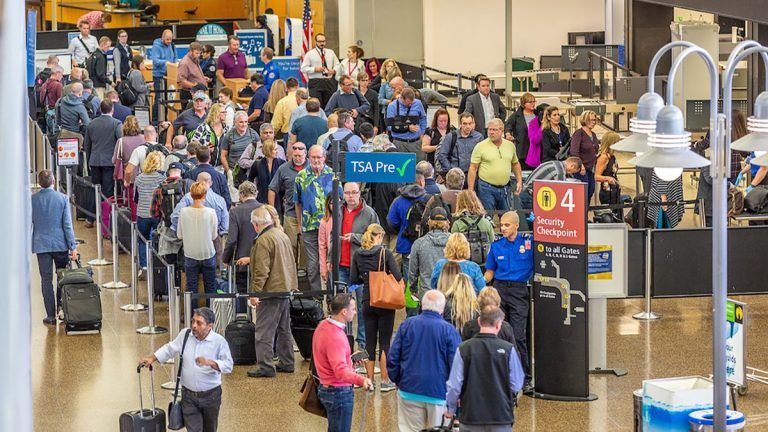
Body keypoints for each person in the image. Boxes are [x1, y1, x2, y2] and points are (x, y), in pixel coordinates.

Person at [139, 307, 233, 432]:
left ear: (209, 326)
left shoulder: (219, 342)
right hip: (188, 396)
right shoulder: (185, 334)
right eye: (193, 321)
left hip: (211, 396)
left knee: (209, 429)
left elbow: (228, 365)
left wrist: (210, 362)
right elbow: (170, 348)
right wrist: (152, 358)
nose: (194, 325)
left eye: (199, 323)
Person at [387, 289, 462, 431]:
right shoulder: (449, 330)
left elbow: (393, 357)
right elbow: (456, 366)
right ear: (442, 308)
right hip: (439, 393)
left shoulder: (407, 325)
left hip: (409, 389)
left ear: (422, 305)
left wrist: (398, 380)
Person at [445, 306, 524, 430]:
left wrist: (451, 409)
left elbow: (454, 385)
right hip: (500, 416)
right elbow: (516, 384)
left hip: (471, 416)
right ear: (498, 325)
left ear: (479, 321)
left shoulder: (463, 349)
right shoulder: (509, 349)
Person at [484, 211, 534, 389]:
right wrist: (479, 284)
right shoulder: (496, 246)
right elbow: (490, 272)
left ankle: (525, 378)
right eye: (501, 225)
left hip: (519, 291)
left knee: (519, 335)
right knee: (498, 333)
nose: (502, 228)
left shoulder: (528, 243)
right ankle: (500, 375)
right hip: (500, 290)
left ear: (516, 226)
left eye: (507, 225)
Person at [350, 224, 402, 392]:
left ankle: (369, 380)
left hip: (367, 301)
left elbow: (353, 279)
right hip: (384, 302)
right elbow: (398, 275)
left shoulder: (357, 254)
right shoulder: (384, 253)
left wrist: (367, 278)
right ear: (378, 237)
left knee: (369, 342)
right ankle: (386, 381)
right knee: (385, 342)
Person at [247, 207, 298, 377]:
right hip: (284, 289)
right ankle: (287, 361)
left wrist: (255, 293)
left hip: (270, 292)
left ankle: (266, 367)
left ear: (256, 224)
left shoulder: (263, 240)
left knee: (263, 331)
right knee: (284, 329)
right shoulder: (281, 234)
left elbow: (261, 271)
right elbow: (291, 263)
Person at [313, 294, 374, 432]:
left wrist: (349, 361)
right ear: (344, 312)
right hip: (338, 391)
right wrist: (361, 379)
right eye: (353, 309)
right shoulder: (336, 336)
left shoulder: (323, 326)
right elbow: (340, 371)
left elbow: (328, 358)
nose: (355, 312)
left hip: (326, 386)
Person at [335, 181, 379, 349]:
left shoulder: (369, 213)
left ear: (360, 193)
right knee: (340, 306)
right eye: (347, 193)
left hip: (361, 269)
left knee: (361, 306)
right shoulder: (338, 210)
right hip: (340, 265)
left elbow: (376, 239)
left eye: (354, 192)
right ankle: (343, 341)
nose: (350, 196)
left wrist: (355, 237)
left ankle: (361, 342)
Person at [32, 170, 78, 325]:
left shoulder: (32, 200)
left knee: (46, 280)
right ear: (54, 181)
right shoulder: (62, 198)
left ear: (39, 183)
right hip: (60, 244)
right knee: (62, 277)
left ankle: (50, 315)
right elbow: (67, 225)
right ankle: (62, 310)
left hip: (41, 244)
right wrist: (73, 246)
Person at [294, 145, 337, 291]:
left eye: (319, 157)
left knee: (330, 262)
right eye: (313, 157)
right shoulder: (301, 176)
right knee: (312, 264)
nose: (316, 160)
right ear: (308, 158)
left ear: (324, 158)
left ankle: (332, 298)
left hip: (330, 225)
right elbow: (297, 203)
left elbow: (340, 201)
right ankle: (316, 298)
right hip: (309, 226)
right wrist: (299, 224)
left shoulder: (332, 175)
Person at [468, 118, 523, 215]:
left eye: (494, 130)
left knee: (507, 217)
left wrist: (519, 181)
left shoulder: (510, 146)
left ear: (501, 130)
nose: (491, 132)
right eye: (489, 129)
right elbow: (473, 168)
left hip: (505, 188)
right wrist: (471, 190)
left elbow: (515, 164)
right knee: (487, 218)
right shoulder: (480, 146)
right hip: (486, 188)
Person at [222, 182, 263, 312]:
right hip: (263, 260)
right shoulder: (264, 209)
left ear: (241, 195)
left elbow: (232, 239)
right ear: (255, 193)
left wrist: (226, 259)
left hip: (242, 262)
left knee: (243, 295)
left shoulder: (235, 212)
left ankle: (244, 325)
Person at [387, 173, 428, 297]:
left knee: (409, 279)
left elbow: (391, 222)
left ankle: (411, 311)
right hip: (426, 245)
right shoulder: (429, 199)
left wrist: (403, 229)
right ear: (422, 182)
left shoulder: (398, 200)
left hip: (406, 245)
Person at [177, 181, 219, 299]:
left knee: (191, 288)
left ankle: (192, 314)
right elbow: (214, 235)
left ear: (191, 194)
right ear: (205, 195)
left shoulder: (183, 212)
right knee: (210, 286)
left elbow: (179, 235)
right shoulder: (211, 212)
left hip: (190, 254)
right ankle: (210, 314)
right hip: (208, 253)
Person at [268, 141, 307, 260]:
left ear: (305, 154)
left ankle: (304, 273)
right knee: (290, 246)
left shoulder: (312, 167)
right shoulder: (284, 169)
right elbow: (272, 189)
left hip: (308, 215)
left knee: (306, 248)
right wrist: (272, 211)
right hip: (290, 214)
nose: (298, 158)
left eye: (300, 156)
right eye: (295, 156)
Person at [170, 172, 229, 240]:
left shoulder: (188, 197)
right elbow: (225, 226)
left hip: (191, 239)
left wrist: (186, 230)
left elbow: (175, 217)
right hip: (213, 239)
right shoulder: (220, 200)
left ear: (196, 182)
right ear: (211, 183)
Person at [409, 207, 451, 300]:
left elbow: (413, 271)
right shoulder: (454, 242)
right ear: (447, 222)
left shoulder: (419, 243)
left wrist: (413, 289)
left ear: (429, 222)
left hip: (427, 294)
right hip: (450, 293)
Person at [84, 99, 122, 202]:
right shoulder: (116, 123)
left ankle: (95, 213)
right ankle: (105, 214)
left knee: (96, 188)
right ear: (112, 109)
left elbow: (87, 145)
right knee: (108, 190)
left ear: (100, 109)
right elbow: (121, 141)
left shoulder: (91, 124)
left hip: (94, 160)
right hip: (109, 162)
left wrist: (89, 160)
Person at [134, 151, 166, 270]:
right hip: (157, 214)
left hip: (142, 214)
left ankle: (144, 266)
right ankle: (157, 265)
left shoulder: (139, 178)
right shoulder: (162, 178)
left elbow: (135, 198)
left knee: (142, 240)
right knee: (157, 240)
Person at [387, 88, 428, 161]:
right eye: (408, 103)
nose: (411, 104)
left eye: (412, 102)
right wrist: (407, 128)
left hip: (416, 143)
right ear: (402, 98)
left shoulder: (418, 103)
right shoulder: (392, 106)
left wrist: (422, 132)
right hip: (400, 143)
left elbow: (423, 118)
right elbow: (390, 127)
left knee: (420, 167)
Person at [300, 32, 339, 107]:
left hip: (328, 82)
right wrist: (314, 69)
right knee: (316, 105)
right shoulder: (310, 53)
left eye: (323, 41)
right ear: (316, 42)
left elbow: (338, 64)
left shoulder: (330, 52)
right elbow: (303, 68)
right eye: (320, 41)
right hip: (315, 82)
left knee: (329, 105)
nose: (322, 43)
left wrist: (334, 70)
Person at [570, 110, 601, 203]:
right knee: (583, 193)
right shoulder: (579, 133)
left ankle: (585, 213)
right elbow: (574, 151)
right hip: (582, 169)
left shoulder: (593, 134)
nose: (593, 122)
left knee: (590, 190)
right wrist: (581, 166)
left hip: (591, 169)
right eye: (591, 120)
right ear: (585, 120)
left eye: (594, 120)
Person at [219, 111, 259, 181]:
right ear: (235, 122)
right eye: (241, 122)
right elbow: (223, 155)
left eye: (246, 122)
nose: (244, 124)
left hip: (249, 172)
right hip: (233, 171)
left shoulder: (253, 134)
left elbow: (260, 151)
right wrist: (228, 171)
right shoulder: (229, 136)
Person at [504, 92, 538, 170]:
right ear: (524, 104)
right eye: (530, 102)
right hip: (523, 150)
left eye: (534, 101)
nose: (533, 104)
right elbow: (508, 125)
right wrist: (508, 134)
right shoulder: (516, 115)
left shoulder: (537, 114)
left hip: (536, 150)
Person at [151, 30, 178, 124]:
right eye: (167, 39)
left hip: (169, 76)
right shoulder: (156, 46)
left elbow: (175, 57)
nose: (169, 41)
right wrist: (165, 62)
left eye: (170, 39)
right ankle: (155, 121)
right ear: (162, 38)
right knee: (159, 98)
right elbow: (155, 60)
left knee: (167, 99)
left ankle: (165, 119)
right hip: (159, 76)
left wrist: (174, 63)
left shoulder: (172, 45)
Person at [248, 139, 285, 204]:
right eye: (275, 149)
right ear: (268, 150)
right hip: (261, 199)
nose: (277, 152)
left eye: (277, 149)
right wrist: (254, 193)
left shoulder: (282, 163)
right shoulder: (257, 164)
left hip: (278, 200)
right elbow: (250, 180)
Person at [595, 132, 623, 219]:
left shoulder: (612, 156)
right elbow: (596, 176)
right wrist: (608, 178)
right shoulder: (603, 157)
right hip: (607, 191)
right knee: (610, 214)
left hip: (614, 189)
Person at [178, 42, 209, 108]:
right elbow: (182, 81)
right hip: (189, 93)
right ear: (190, 52)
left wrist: (202, 78)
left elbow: (193, 75)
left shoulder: (195, 60)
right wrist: (195, 86)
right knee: (190, 116)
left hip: (198, 93)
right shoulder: (185, 63)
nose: (198, 55)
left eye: (200, 53)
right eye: (196, 53)